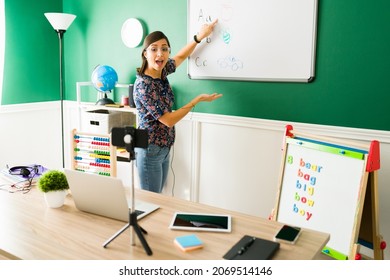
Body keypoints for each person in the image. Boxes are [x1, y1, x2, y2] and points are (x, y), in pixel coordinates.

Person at [133, 19, 222, 193]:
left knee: (160, 201)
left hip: (163, 148)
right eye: (154, 49)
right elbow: (168, 120)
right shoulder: (144, 85)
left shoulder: (161, 71)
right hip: (149, 150)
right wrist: (195, 101)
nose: (160, 54)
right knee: (152, 202)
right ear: (145, 53)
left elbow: (180, 57)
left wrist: (199, 37)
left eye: (164, 49)